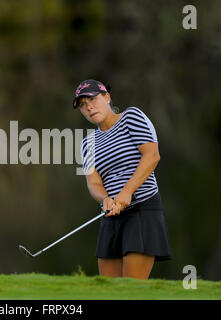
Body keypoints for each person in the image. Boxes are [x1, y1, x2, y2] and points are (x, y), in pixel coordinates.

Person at [73, 79, 173, 279]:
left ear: (107, 97)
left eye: (92, 99)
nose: (89, 107)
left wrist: (126, 192)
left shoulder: (131, 117)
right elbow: (94, 183)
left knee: (130, 290)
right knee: (108, 291)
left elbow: (152, 155)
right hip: (111, 216)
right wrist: (105, 200)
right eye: (83, 105)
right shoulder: (87, 143)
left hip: (142, 209)